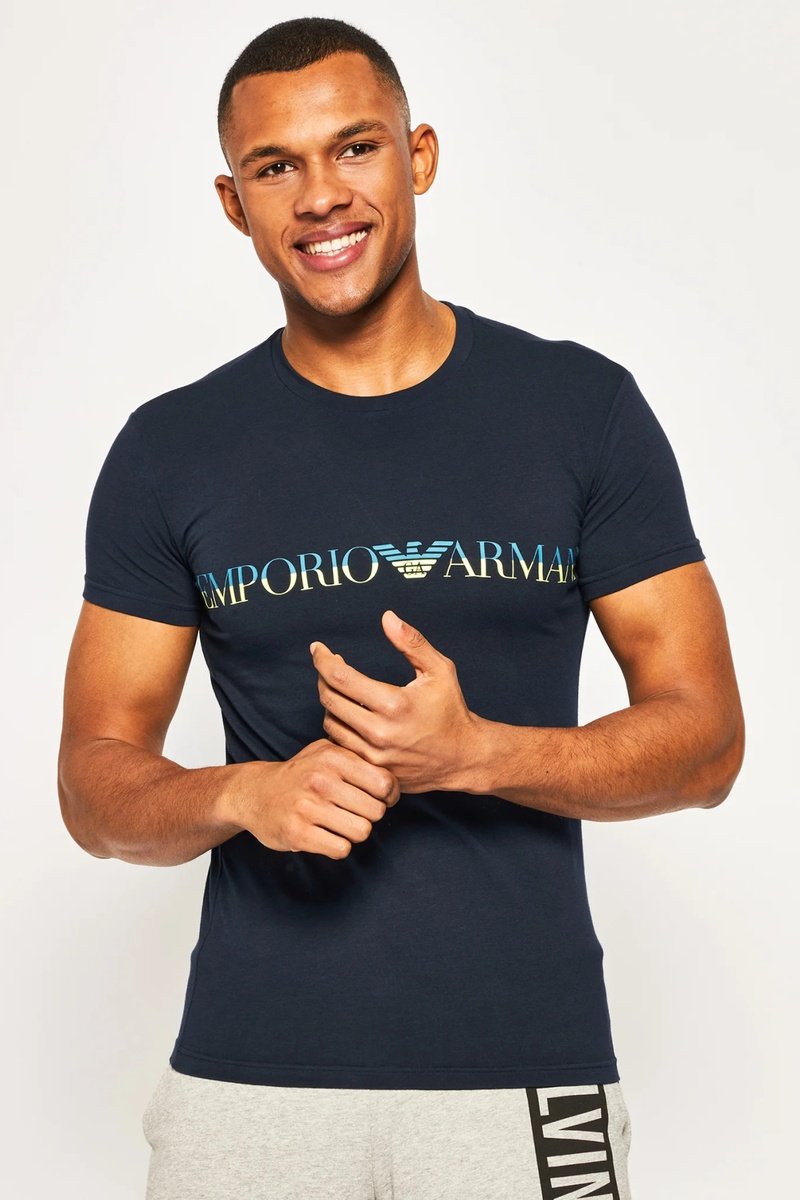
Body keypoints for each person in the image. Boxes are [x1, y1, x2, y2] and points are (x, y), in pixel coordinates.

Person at [57, 16, 745, 1200]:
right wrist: (240, 793)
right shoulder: (171, 451)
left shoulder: (579, 411)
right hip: (249, 1087)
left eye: (354, 148)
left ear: (417, 156)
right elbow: (92, 786)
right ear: (233, 204)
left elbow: (707, 745)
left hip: (523, 1074)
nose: (321, 196)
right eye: (275, 166)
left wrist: (477, 755)